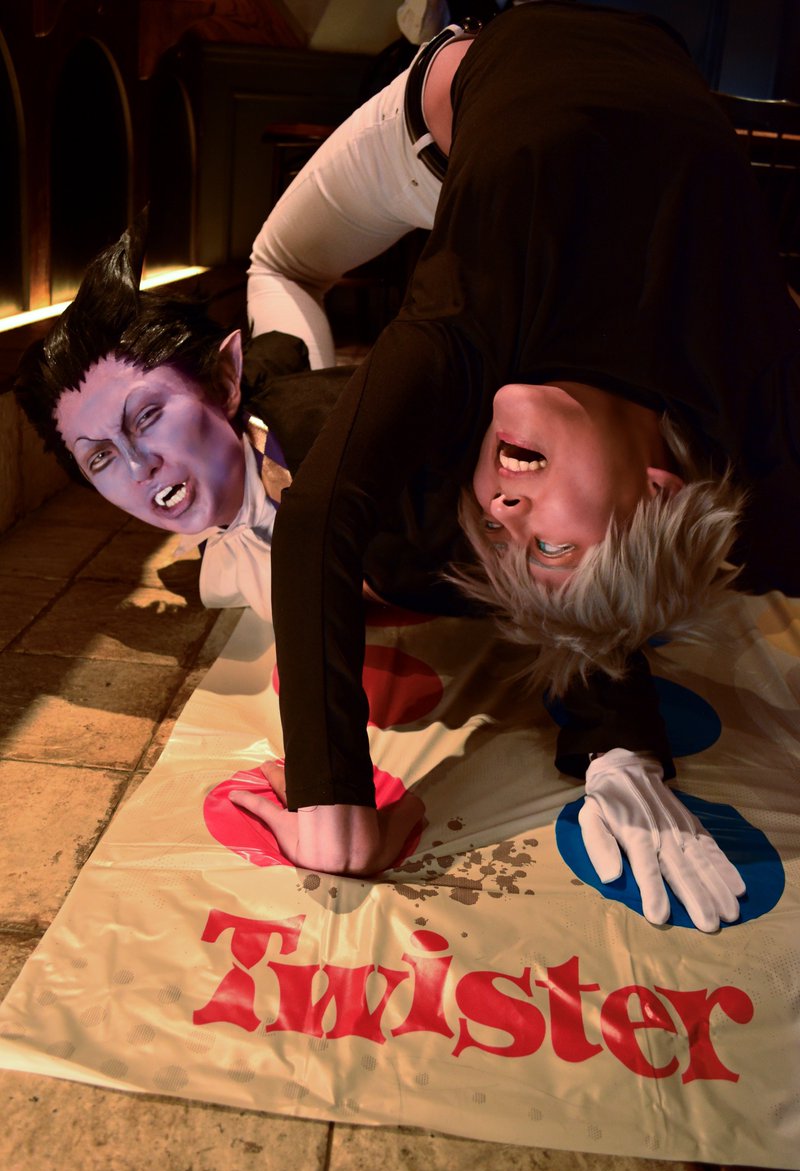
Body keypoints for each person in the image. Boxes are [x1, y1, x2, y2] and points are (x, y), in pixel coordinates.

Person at [20, 1, 797, 928]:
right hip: (460, 119)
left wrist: (617, 746)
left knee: (370, 428)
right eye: (544, 544)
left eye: (497, 534)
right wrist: (337, 804)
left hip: (489, 139)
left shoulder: (472, 373)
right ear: (662, 489)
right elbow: (330, 517)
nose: (499, 509)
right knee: (279, 262)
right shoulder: (747, 390)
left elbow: (563, 554)